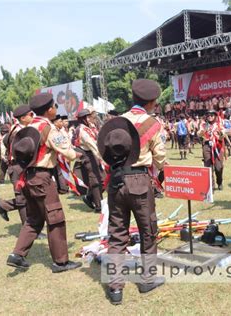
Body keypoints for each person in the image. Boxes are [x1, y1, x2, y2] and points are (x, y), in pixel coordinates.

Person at [104, 79, 166, 305]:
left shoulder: (117, 121)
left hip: (116, 181)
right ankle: (147, 279)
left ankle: (115, 287)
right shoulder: (151, 123)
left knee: (117, 234)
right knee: (148, 231)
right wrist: (163, 170)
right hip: (139, 180)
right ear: (151, 102)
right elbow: (159, 157)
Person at [6, 93, 82, 273]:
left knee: (34, 219)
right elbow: (67, 152)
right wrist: (79, 154)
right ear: (49, 110)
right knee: (55, 218)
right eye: (55, 105)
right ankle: (61, 262)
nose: (56, 108)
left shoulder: (27, 126)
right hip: (42, 177)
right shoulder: (47, 127)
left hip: (27, 177)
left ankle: (17, 254)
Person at [0, 105, 34, 225]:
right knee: (22, 198)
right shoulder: (18, 131)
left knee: (29, 196)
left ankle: (3, 205)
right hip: (18, 167)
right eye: (30, 115)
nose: (33, 117)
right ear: (23, 118)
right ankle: (28, 227)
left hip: (19, 166)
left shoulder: (15, 129)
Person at [72, 109, 105, 212]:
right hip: (88, 156)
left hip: (94, 155)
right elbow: (92, 145)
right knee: (95, 181)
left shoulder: (88, 128)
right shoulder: (82, 130)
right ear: (83, 119)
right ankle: (99, 206)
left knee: (102, 180)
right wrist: (101, 158)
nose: (91, 119)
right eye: (88, 117)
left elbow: (97, 138)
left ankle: (90, 197)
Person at [198, 110, 225, 191]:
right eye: (208, 115)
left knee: (218, 167)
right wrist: (201, 133)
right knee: (208, 166)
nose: (210, 116)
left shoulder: (219, 125)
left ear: (215, 116)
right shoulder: (203, 125)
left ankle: (219, 182)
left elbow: (222, 135)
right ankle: (211, 186)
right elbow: (199, 133)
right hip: (207, 146)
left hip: (217, 146)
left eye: (212, 115)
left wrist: (221, 134)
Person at [52, 114, 70, 195]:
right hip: (57, 154)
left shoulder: (60, 130)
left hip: (62, 153)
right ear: (55, 122)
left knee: (62, 171)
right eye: (60, 121)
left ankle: (62, 187)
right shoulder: (54, 131)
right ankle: (62, 188)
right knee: (59, 172)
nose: (62, 123)